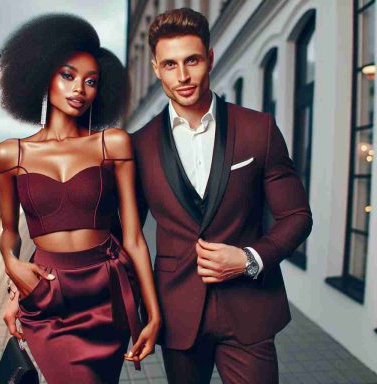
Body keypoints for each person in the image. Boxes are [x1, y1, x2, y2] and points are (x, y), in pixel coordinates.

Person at [131, 8, 313, 384]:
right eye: (169, 64)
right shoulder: (140, 146)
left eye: (192, 60)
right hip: (176, 310)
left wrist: (249, 258)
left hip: (250, 309)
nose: (182, 76)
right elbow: (124, 235)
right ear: (155, 68)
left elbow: (297, 216)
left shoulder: (257, 128)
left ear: (209, 59)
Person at [0, 14, 161, 384]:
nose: (79, 89)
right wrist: (11, 265)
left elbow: (133, 236)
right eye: (67, 76)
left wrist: (153, 312)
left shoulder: (111, 143)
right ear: (43, 76)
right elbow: (9, 231)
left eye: (91, 82)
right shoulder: (10, 154)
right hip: (48, 293)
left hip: (108, 294)